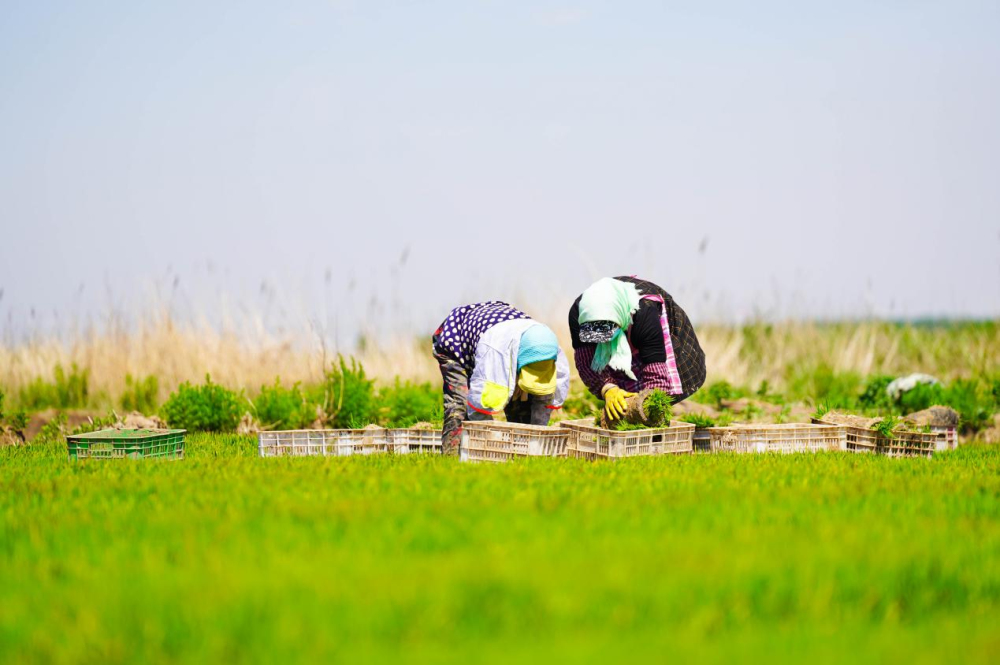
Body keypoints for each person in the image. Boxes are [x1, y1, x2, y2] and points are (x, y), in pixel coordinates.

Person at [432, 301, 570, 455]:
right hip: (455, 339)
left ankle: (521, 457)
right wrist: (494, 441)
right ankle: (453, 458)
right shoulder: (494, 353)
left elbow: (543, 400)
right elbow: (479, 406)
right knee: (460, 405)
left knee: (522, 408)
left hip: (504, 335)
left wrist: (537, 440)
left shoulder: (551, 351)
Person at [568, 276, 706, 423]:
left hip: (650, 324)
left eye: (607, 334)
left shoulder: (644, 313)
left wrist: (644, 407)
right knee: (619, 400)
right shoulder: (579, 314)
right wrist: (608, 389)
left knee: (651, 403)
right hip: (628, 326)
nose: (605, 342)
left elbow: (657, 376)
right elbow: (586, 361)